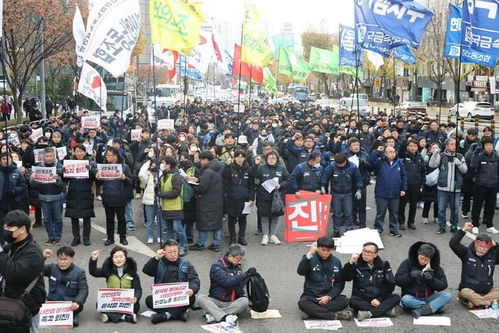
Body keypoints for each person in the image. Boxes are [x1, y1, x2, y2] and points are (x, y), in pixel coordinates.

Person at [0, 210, 46, 332]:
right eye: (4, 227)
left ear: (22, 229)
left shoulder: (33, 253)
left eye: (9, 227)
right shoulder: (13, 246)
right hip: (8, 306)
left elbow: (13, 274)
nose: (5, 230)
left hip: (26, 311)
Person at [142, 239, 200, 324]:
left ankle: (166, 315)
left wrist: (192, 289)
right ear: (164, 252)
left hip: (180, 296)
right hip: (163, 297)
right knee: (149, 300)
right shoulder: (158, 262)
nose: (173, 254)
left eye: (175, 251)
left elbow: (194, 279)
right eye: (169, 252)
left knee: (191, 298)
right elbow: (146, 271)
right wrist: (156, 258)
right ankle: (180, 313)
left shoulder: (185, 263)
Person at [340, 242, 400, 320]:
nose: (366, 254)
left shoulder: (384, 264)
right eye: (364, 251)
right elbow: (346, 278)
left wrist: (379, 299)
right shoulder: (356, 263)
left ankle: (369, 313)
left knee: (396, 297)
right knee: (352, 301)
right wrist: (350, 263)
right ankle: (385, 311)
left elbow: (391, 283)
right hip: (362, 297)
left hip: (379, 297)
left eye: (369, 252)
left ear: (375, 254)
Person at [297, 236, 352, 320]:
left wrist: (329, 296)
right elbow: (300, 272)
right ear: (317, 248)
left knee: (345, 301)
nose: (325, 253)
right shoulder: (309, 258)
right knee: (302, 303)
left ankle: (312, 313)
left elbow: (340, 283)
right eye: (323, 250)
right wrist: (309, 255)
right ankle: (335, 315)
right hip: (312, 296)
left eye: (328, 250)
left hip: (329, 297)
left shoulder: (336, 261)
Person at [197, 244, 251, 326]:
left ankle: (214, 314)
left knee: (245, 301)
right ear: (230, 256)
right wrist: (243, 276)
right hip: (216, 301)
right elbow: (227, 282)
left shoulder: (238, 267)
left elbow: (238, 284)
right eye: (238, 259)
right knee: (201, 298)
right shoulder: (216, 267)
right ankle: (225, 316)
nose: (239, 262)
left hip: (231, 301)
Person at [395, 242, 452, 318]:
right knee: (406, 300)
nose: (423, 261)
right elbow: (397, 280)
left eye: (426, 260)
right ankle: (432, 307)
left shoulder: (435, 266)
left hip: (428, 297)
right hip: (411, 296)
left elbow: (443, 285)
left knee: (448, 296)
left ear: (430, 259)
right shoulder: (407, 262)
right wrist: (410, 275)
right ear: (418, 254)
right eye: (421, 258)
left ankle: (422, 309)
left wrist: (432, 280)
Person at [450, 222, 499, 309]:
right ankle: (488, 303)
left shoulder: (492, 257)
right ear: (475, 244)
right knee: (465, 292)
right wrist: (464, 229)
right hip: (468, 292)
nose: (481, 249)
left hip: (486, 292)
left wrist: (496, 246)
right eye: (479, 245)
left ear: (489, 247)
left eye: (485, 247)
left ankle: (476, 302)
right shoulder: (466, 253)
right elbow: (453, 244)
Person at [88, 246, 142, 323]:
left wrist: (136, 298)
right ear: (112, 259)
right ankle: (125, 317)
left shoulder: (132, 273)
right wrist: (93, 259)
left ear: (125, 258)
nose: (118, 259)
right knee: (98, 304)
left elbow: (138, 289)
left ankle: (110, 316)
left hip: (126, 301)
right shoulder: (107, 270)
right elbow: (94, 272)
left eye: (121, 256)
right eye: (115, 257)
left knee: (136, 307)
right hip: (112, 301)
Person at [42, 246, 89, 327]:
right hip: (53, 303)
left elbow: (84, 289)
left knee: (74, 319)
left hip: (70, 305)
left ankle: (73, 315)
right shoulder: (51, 268)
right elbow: (34, 269)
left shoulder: (79, 272)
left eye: (65, 259)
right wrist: (42, 257)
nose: (62, 262)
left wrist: (77, 302)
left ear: (71, 259)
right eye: (60, 259)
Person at [429, 138, 467, 234]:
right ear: (446, 146)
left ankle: (454, 226)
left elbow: (465, 170)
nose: (454, 146)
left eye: (455, 144)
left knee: (455, 210)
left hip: (456, 188)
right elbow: (432, 165)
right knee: (441, 209)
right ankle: (442, 227)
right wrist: (435, 154)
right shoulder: (441, 156)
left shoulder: (459, 156)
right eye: (451, 144)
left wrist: (458, 163)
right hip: (443, 187)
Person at [320, 152, 363, 237]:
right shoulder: (332, 166)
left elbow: (358, 178)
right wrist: (322, 186)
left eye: (341, 163)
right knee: (336, 214)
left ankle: (349, 230)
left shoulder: (352, 167)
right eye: (337, 163)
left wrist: (359, 189)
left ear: (345, 161)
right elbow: (325, 176)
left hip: (348, 194)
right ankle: (336, 231)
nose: (339, 165)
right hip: (336, 194)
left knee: (348, 213)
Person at [97, 146, 133, 246]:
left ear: (116, 156)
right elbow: (99, 183)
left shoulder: (124, 167)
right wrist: (98, 177)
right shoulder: (103, 167)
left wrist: (124, 177)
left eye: (110, 155)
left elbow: (131, 182)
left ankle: (123, 237)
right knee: (109, 219)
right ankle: (110, 238)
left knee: (121, 218)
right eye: (106, 155)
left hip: (120, 196)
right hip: (108, 196)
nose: (107, 157)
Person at [189, 151, 224, 252]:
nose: (200, 162)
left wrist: (192, 184)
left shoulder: (208, 171)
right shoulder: (218, 168)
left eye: (201, 159)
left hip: (206, 202)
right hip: (217, 201)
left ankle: (200, 243)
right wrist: (199, 179)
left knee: (203, 223)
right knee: (216, 224)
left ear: (205, 159)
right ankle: (216, 243)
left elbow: (202, 188)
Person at [368, 146, 407, 237]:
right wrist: (376, 152)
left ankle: (393, 229)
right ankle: (378, 229)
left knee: (394, 213)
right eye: (390, 152)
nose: (392, 154)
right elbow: (371, 162)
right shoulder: (380, 162)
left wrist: (403, 189)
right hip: (381, 193)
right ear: (385, 153)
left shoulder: (399, 163)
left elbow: (404, 176)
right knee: (381, 213)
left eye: (393, 152)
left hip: (395, 193)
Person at [29, 147, 65, 245]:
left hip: (56, 196)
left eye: (50, 156)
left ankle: (57, 237)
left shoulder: (59, 167)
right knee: (47, 219)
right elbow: (34, 185)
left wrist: (58, 180)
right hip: (44, 196)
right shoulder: (39, 168)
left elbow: (63, 186)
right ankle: (51, 236)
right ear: (43, 156)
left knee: (58, 218)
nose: (49, 158)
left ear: (54, 156)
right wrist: (32, 179)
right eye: (47, 156)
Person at [253, 150, 289, 245]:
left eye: (274, 158)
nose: (271, 160)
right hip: (263, 196)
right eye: (269, 158)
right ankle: (265, 235)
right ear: (266, 159)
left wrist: (280, 185)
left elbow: (288, 180)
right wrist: (256, 166)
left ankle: (273, 235)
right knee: (264, 216)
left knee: (275, 216)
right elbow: (255, 178)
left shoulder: (281, 169)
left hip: (276, 196)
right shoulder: (261, 168)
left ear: (277, 159)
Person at [64, 144, 97, 246]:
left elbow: (96, 178)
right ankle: (76, 238)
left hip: (86, 192)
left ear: (85, 152)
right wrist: (63, 172)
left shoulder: (90, 163)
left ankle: (86, 238)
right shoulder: (69, 163)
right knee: (74, 217)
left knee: (87, 217)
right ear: (74, 152)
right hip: (73, 192)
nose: (79, 153)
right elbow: (65, 180)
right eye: (77, 151)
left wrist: (90, 169)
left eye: (81, 151)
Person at [222, 150, 255, 245]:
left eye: (241, 157)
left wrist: (252, 198)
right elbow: (225, 176)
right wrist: (227, 166)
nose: (239, 159)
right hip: (231, 198)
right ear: (234, 158)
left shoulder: (248, 168)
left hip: (244, 198)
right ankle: (232, 238)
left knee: (243, 218)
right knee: (231, 218)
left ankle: (241, 237)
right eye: (237, 157)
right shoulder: (230, 167)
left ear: (244, 158)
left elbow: (252, 186)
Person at [157, 156, 188, 255]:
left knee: (178, 228)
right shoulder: (163, 175)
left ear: (169, 165)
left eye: (164, 163)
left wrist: (161, 194)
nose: (162, 165)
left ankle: (184, 246)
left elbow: (176, 192)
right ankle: (170, 247)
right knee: (168, 228)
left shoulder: (176, 176)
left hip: (175, 207)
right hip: (165, 207)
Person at [470, 137, 499, 234]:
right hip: (480, 185)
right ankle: (475, 224)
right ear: (483, 146)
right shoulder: (479, 156)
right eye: (487, 145)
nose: (489, 147)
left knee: (490, 206)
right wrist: (475, 154)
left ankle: (489, 225)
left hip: (493, 185)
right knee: (477, 206)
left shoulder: (496, 156)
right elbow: (473, 166)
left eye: (491, 145)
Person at [0, 152, 28, 243]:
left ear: (11, 160)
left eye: (8, 159)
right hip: (1, 203)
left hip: (13, 202)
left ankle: (12, 242)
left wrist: (15, 190)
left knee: (12, 224)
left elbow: (23, 185)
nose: (6, 161)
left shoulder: (17, 172)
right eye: (3, 159)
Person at [397, 139, 425, 230]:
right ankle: (401, 222)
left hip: (416, 185)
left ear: (417, 147)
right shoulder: (403, 156)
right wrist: (405, 140)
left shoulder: (420, 157)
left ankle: (411, 222)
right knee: (402, 204)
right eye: (411, 146)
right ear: (408, 147)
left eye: (415, 146)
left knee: (413, 205)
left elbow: (423, 171)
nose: (413, 148)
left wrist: (422, 183)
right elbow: (400, 150)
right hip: (405, 185)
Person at [138, 158, 161, 244]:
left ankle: (159, 236)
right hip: (149, 199)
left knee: (160, 221)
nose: (153, 165)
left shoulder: (161, 173)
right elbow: (141, 175)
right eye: (151, 164)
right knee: (150, 220)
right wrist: (146, 163)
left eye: (155, 164)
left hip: (159, 199)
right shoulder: (147, 174)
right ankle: (150, 236)